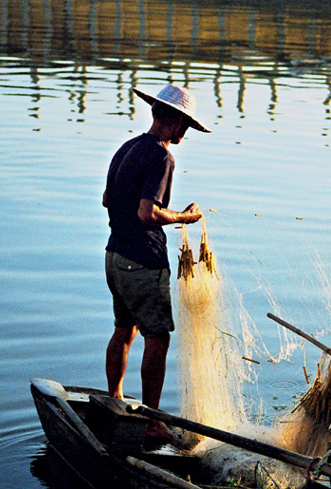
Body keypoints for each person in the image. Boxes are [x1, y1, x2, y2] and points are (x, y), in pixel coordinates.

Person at [102, 84, 209, 440]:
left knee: (124, 329)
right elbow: (147, 213)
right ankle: (153, 421)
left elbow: (107, 199)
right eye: (186, 126)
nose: (185, 134)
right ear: (175, 122)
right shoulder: (163, 157)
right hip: (142, 261)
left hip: (114, 256)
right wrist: (184, 218)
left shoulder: (127, 148)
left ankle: (115, 397)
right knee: (157, 338)